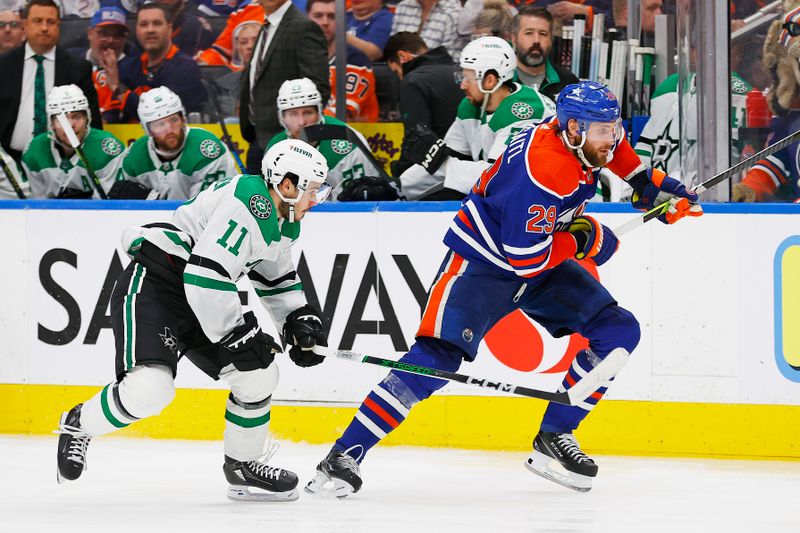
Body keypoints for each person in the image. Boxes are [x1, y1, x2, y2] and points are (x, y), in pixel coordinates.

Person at [305, 81, 703, 498]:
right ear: (573, 130)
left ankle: (554, 437)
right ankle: (343, 455)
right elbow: (525, 258)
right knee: (435, 359)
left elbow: (618, 154)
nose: (611, 137)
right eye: (601, 130)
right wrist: (587, 241)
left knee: (619, 331)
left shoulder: (572, 134)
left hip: (537, 255)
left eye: (613, 127)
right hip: (483, 265)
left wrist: (656, 185)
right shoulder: (543, 172)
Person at [55, 138, 332, 503]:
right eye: (313, 190)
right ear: (286, 184)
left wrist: (297, 318)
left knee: (258, 374)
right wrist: (237, 333)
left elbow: (274, 278)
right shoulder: (251, 203)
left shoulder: (281, 217)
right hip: (158, 287)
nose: (317, 199)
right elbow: (205, 274)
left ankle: (243, 467)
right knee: (149, 390)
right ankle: (79, 424)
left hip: (201, 299)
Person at [397, 36, 555, 200]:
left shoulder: (524, 112)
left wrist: (440, 162)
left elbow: (497, 178)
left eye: (467, 78)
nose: (462, 85)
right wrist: (398, 187)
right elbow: (447, 158)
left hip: (545, 202)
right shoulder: (471, 106)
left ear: (489, 80)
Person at [0, 0, 101, 163]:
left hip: (63, 161)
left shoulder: (78, 68)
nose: (45, 28)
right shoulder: (3, 65)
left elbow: (92, 121)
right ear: (25, 25)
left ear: (59, 26)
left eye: (51, 22)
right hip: (9, 160)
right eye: (38, 21)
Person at [240, 0, 330, 174]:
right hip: (258, 138)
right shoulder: (266, 26)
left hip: (288, 141)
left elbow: (318, 87)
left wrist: (297, 133)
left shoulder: (304, 27)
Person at [266, 78, 386, 200]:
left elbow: (362, 203)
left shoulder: (347, 142)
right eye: (293, 114)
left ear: (319, 112)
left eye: (307, 113)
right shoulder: (275, 148)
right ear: (282, 118)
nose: (301, 122)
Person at [111, 86, 236, 199]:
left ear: (183, 119)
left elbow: (204, 210)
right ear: (147, 130)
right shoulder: (135, 155)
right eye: (160, 124)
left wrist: (152, 199)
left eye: (174, 120)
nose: (169, 130)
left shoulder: (207, 150)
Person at [109, 2, 208, 123]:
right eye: (144, 25)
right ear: (137, 30)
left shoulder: (186, 67)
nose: (150, 30)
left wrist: (117, 90)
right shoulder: (127, 67)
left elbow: (162, 114)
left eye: (157, 23)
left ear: (169, 28)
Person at [22, 84, 125, 199]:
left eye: (76, 117)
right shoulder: (34, 151)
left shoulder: (107, 148)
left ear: (87, 118)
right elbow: (37, 207)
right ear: (51, 124)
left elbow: (108, 208)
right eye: (62, 119)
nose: (70, 125)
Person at [383, 32, 461, 177]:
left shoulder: (413, 81)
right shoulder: (461, 72)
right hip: (472, 168)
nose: (399, 77)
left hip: (437, 174)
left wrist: (398, 173)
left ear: (402, 57)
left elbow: (417, 141)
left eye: (396, 71)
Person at [307, 0, 378, 122]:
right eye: (318, 16)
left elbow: (345, 112)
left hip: (353, 135)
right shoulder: (300, 55)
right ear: (307, 19)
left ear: (342, 20)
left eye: (332, 16)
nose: (325, 22)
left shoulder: (357, 60)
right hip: (307, 131)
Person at [69, 6, 133, 122]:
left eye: (118, 35)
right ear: (90, 33)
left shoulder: (134, 67)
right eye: (103, 33)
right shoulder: (71, 61)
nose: (110, 40)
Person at [511, 6, 579, 103]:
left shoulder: (568, 82)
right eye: (529, 33)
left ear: (551, 40)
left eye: (543, 34)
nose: (536, 40)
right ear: (514, 39)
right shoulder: (501, 80)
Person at [195, 0, 264, 68]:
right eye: (244, 42)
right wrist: (203, 61)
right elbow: (219, 53)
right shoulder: (246, 11)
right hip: (242, 75)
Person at [391, 0, 466, 61]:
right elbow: (391, 51)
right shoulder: (403, 6)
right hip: (397, 73)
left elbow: (449, 65)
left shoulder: (454, 14)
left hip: (432, 77)